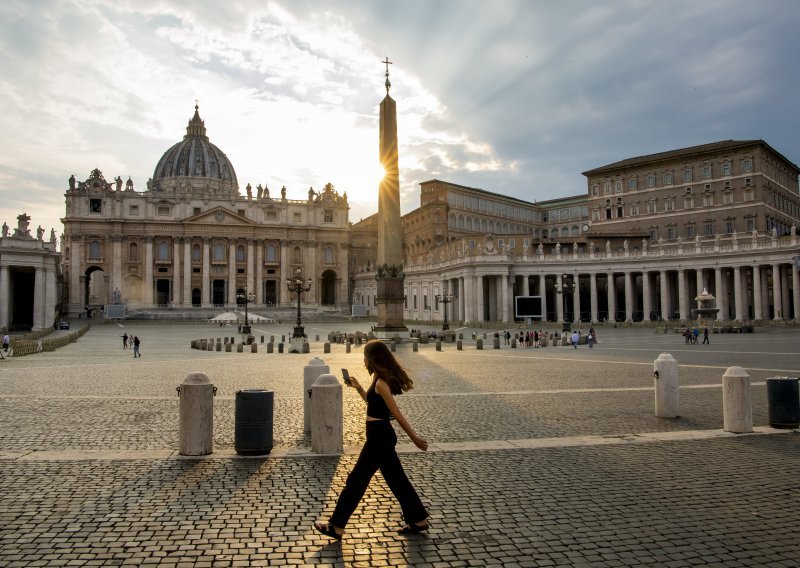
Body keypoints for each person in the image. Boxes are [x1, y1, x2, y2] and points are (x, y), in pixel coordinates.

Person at [314, 340, 429, 540]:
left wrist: (414, 437)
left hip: (379, 438)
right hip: (379, 436)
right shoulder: (377, 379)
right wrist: (358, 387)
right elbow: (373, 405)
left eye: (365, 357)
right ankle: (419, 519)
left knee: (356, 481)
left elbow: (396, 414)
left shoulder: (382, 382)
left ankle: (337, 525)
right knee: (397, 480)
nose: (363, 360)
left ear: (372, 359)